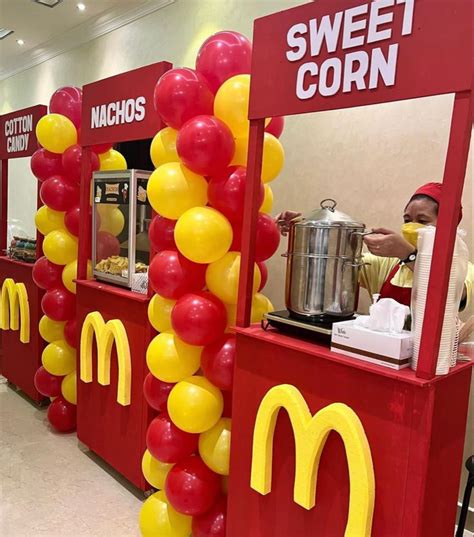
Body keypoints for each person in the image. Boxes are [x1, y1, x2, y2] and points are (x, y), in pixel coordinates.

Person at [276, 182, 473, 337]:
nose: (411, 226)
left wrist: (409, 255)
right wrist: (300, 234)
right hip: (380, 358)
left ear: (448, 226)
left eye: (422, 221)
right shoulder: (388, 263)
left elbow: (451, 292)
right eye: (407, 220)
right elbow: (331, 267)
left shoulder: (464, 268)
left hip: (423, 365)